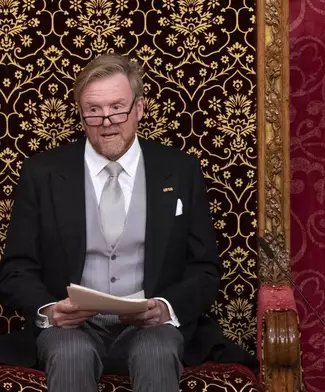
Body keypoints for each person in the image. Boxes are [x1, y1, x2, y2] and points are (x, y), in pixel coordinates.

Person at [0, 54, 257, 391]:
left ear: (139, 108)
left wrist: (165, 308)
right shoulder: (43, 173)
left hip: (151, 328)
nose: (107, 121)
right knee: (70, 353)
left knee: (158, 349)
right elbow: (16, 268)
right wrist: (50, 310)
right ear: (80, 114)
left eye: (118, 107)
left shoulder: (179, 170)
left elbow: (204, 268)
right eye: (93, 110)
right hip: (70, 330)